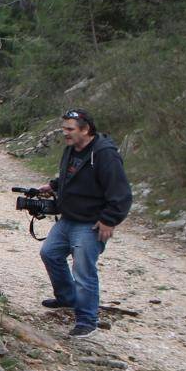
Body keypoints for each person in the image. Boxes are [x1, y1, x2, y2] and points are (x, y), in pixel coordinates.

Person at [35, 109, 133, 339]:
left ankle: (87, 320)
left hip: (90, 224)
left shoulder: (104, 154)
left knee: (83, 270)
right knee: (49, 253)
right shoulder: (72, 149)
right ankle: (67, 298)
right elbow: (71, 176)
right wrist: (54, 185)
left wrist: (109, 220)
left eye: (70, 129)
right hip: (69, 218)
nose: (65, 134)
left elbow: (121, 193)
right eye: (64, 129)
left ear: (85, 129)